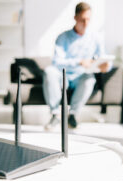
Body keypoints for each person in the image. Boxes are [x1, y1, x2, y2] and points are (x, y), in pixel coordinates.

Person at [43, 2, 111, 130]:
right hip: (63, 76)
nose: (85, 23)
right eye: (82, 20)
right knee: (49, 71)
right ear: (75, 18)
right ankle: (55, 115)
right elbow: (57, 62)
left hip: (81, 77)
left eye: (88, 20)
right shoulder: (63, 37)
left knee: (90, 78)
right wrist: (79, 62)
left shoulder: (96, 38)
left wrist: (106, 66)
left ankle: (73, 115)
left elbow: (104, 58)